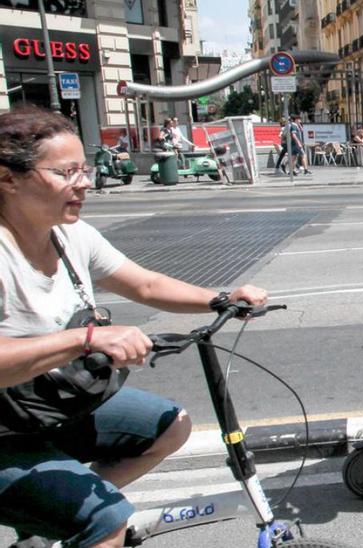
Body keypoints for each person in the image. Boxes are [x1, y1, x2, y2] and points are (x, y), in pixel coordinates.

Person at [0, 106, 268, 548]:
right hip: (4, 429)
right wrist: (85, 338)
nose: (84, 182)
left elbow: (143, 283)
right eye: (66, 172)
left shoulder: (71, 234)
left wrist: (219, 299)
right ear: (9, 179)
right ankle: (85, 522)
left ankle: (50, 529)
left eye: (83, 169)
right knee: (108, 522)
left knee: (171, 424)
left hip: (47, 403)